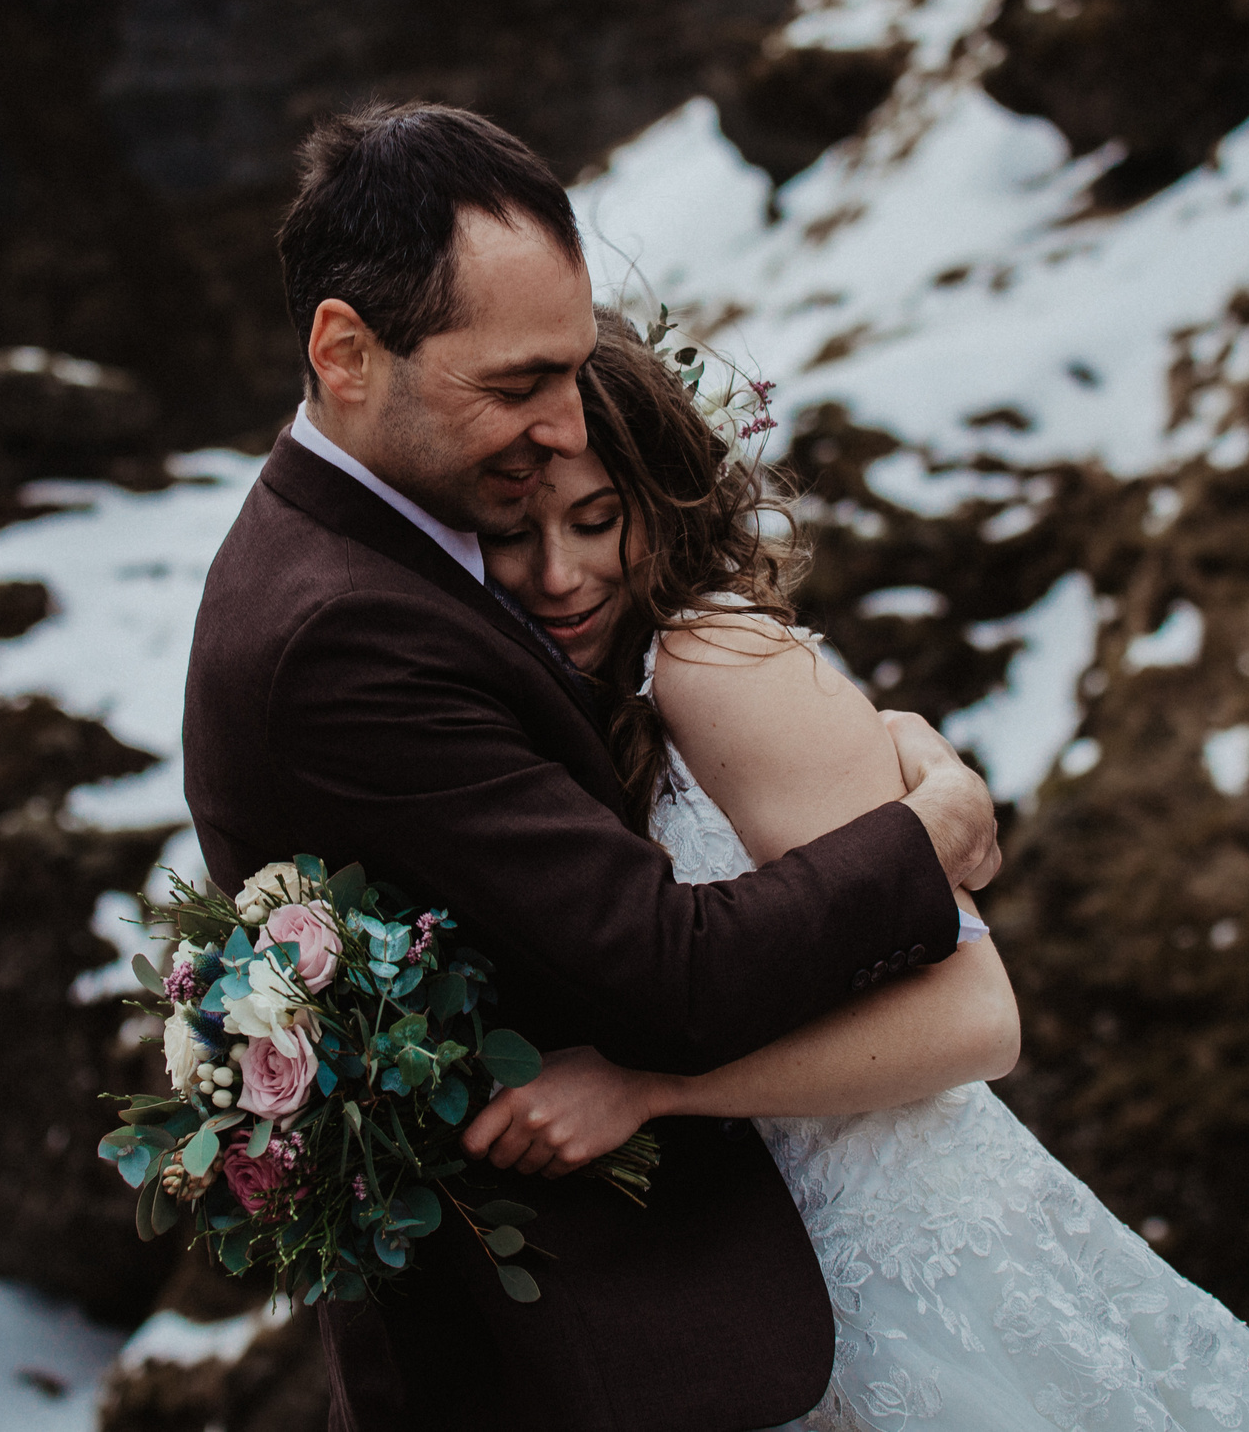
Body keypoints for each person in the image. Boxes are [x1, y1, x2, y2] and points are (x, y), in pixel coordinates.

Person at [180, 102, 1007, 1432]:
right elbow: (665, 973)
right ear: (344, 351)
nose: (570, 424)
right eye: (518, 384)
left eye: (572, 369)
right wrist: (939, 828)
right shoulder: (339, 633)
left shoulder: (420, 539)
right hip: (566, 1361)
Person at [458, 311, 1249, 1432]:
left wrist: (651, 1088)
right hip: (791, 1299)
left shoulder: (710, 658)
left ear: (661, 505)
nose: (558, 575)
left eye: (599, 521)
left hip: (931, 1269)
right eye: (514, 532)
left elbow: (975, 1021)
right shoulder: (583, 698)